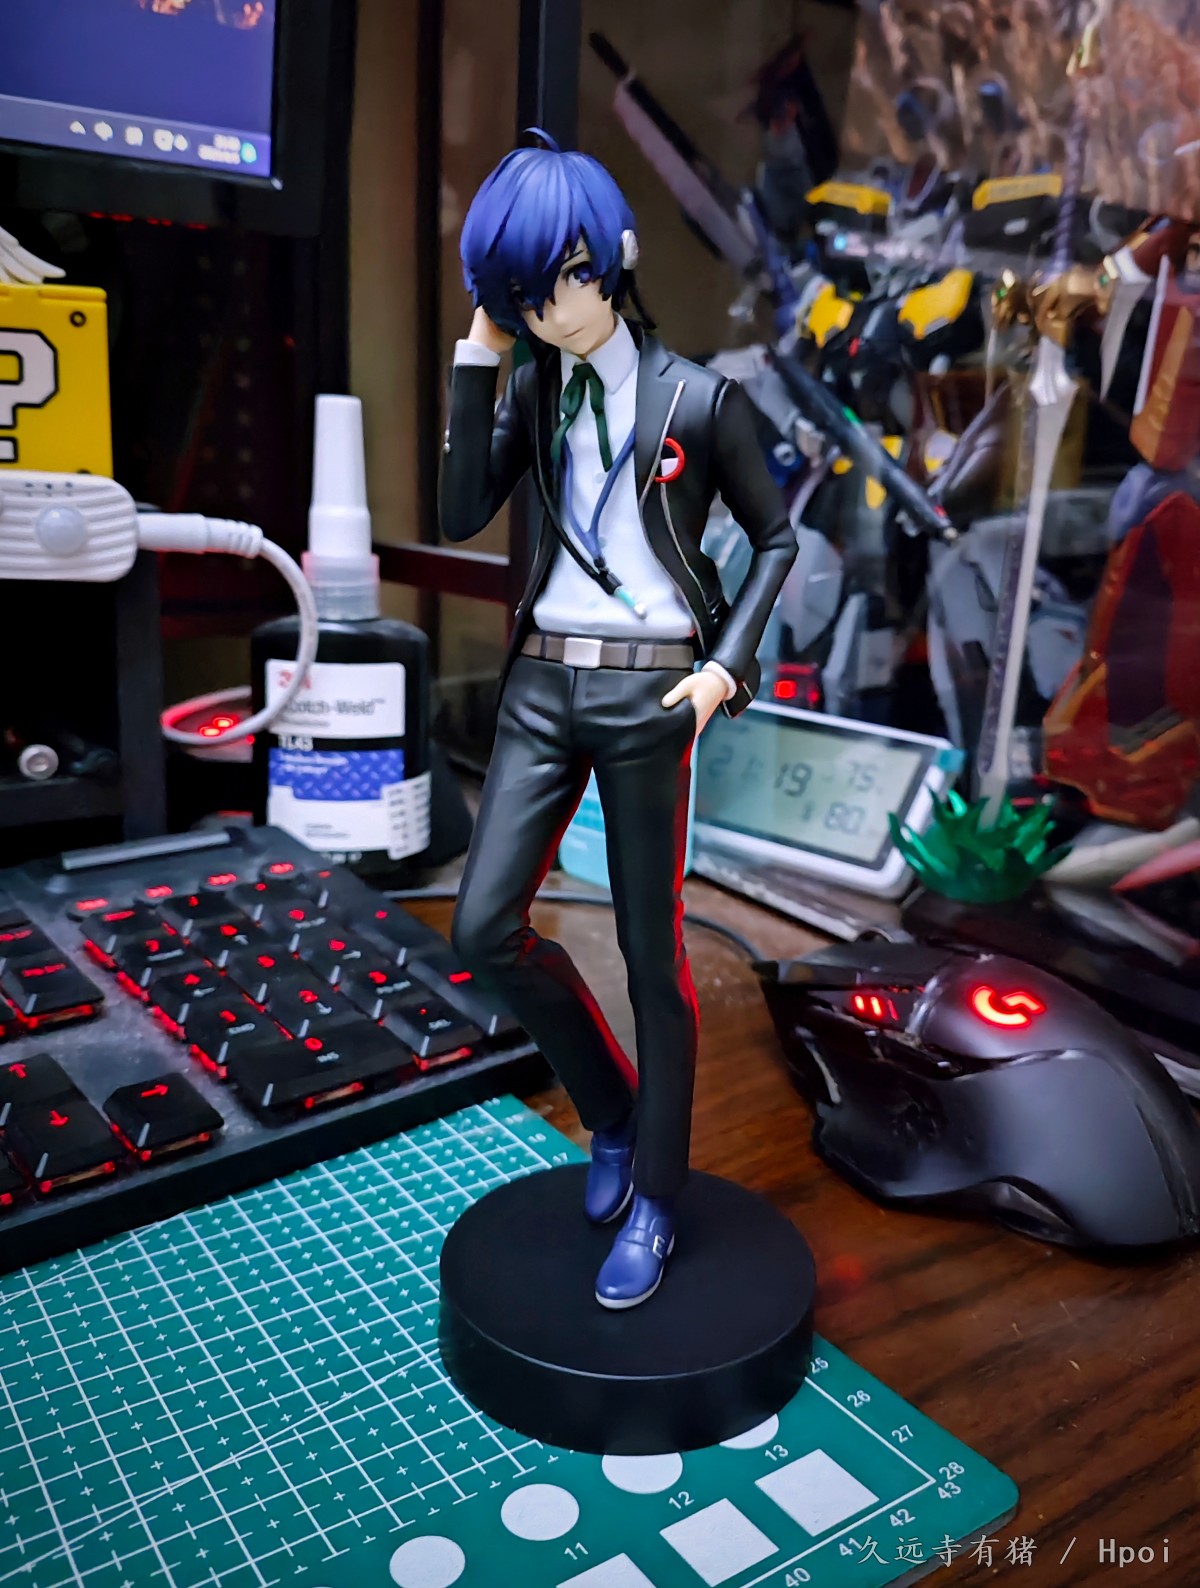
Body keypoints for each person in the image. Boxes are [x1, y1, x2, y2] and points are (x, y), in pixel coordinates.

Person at [440, 134, 796, 1308]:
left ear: (617, 257)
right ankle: (610, 1110)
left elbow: (777, 537)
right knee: (484, 925)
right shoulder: (532, 383)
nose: (553, 309)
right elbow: (457, 510)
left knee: (654, 953)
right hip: (543, 683)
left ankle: (659, 1194)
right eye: (524, 293)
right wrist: (480, 352)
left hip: (655, 689)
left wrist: (726, 667)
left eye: (567, 276)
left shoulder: (702, 397)